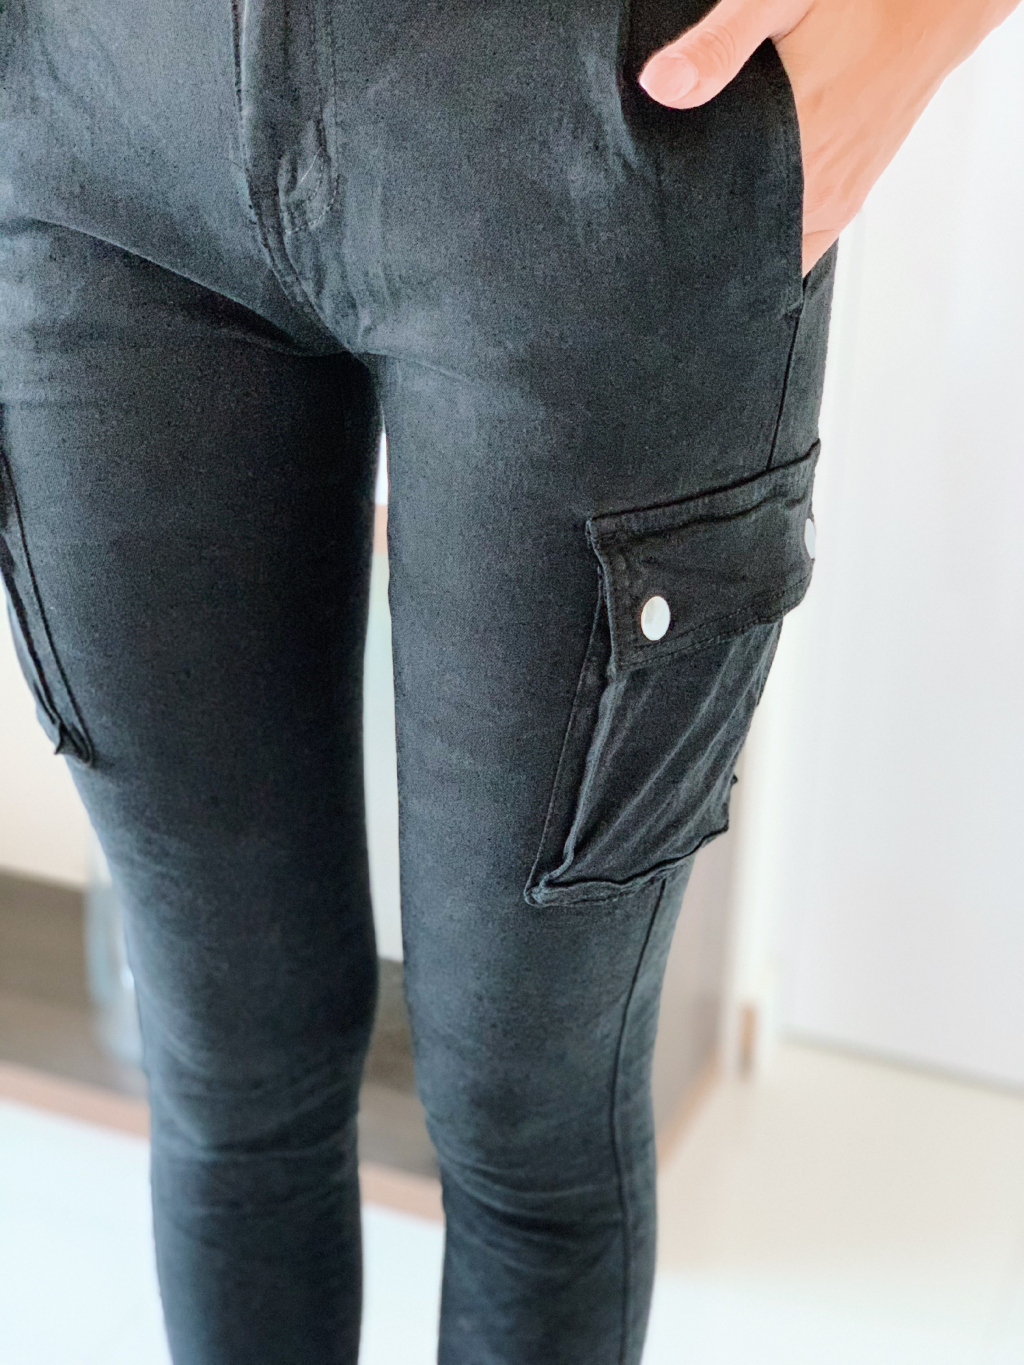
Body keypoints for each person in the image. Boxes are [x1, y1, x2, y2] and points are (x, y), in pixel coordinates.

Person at [0, 0, 1016, 1361]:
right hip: (93, 120)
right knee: (225, 1064)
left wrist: (918, 15)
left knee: (528, 1121)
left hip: (589, 130)